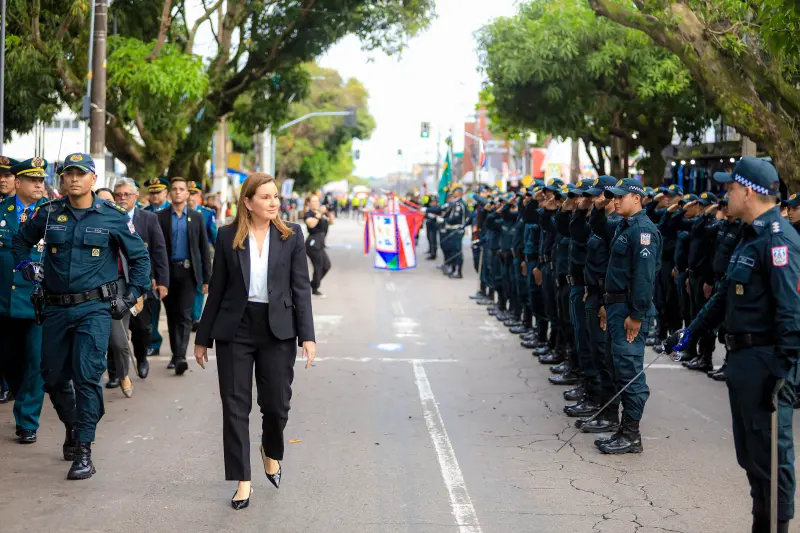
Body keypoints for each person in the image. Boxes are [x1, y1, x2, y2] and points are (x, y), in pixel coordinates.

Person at [665, 158, 800, 533]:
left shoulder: (778, 240)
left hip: (765, 363)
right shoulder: (749, 236)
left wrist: (783, 372)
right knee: (751, 456)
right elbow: (723, 295)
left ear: (749, 192)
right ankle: (761, 522)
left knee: (772, 456)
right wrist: (689, 333)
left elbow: (792, 312)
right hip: (743, 361)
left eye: (730, 188)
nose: (726, 195)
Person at [12, 153, 151, 480]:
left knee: (87, 377)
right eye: (69, 173)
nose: (74, 179)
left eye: (81, 173)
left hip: (94, 310)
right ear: (62, 179)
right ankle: (73, 426)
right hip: (55, 308)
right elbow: (20, 242)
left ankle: (84, 451)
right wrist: (27, 265)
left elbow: (140, 259)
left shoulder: (112, 216)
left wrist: (131, 295)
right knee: (52, 378)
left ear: (93, 179)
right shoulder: (49, 213)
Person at [194, 173, 316, 510]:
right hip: (235, 327)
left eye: (275, 196)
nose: (274, 202)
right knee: (235, 406)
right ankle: (243, 480)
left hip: (278, 329)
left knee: (277, 405)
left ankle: (270, 450)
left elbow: (301, 287)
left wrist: (307, 335)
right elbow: (218, 288)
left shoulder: (291, 235)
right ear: (247, 202)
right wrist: (203, 338)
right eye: (265, 197)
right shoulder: (227, 236)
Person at [595, 177, 662, 455]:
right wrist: (598, 207)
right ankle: (624, 430)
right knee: (617, 367)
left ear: (637, 198)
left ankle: (632, 434)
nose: (615, 201)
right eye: (614, 196)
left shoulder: (643, 231)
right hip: (616, 306)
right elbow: (598, 228)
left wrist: (636, 314)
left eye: (620, 196)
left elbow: (644, 278)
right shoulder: (624, 225)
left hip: (629, 310)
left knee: (629, 370)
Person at [0, 157, 48, 443]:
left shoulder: (53, 213)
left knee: (35, 360)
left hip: (37, 302)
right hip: (4, 301)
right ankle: (22, 397)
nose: (39, 185)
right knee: (8, 359)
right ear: (17, 183)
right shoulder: (1, 211)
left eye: (41, 180)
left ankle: (27, 421)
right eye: (33, 180)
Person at [112, 178, 168, 381]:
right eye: (118, 194)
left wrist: (162, 280)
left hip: (142, 283)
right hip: (115, 282)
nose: (122, 198)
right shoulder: (107, 218)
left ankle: (142, 357)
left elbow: (159, 250)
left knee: (141, 328)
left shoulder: (148, 218)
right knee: (115, 331)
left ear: (136, 196)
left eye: (126, 194)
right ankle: (117, 373)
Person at [156, 177, 211, 374]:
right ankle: (175, 353)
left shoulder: (196, 217)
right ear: (170, 193)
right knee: (172, 315)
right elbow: (156, 249)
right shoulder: (160, 217)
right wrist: (156, 276)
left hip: (188, 272)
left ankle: (180, 356)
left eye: (181, 189)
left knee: (185, 315)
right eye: (175, 189)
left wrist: (207, 278)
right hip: (168, 273)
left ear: (188, 194)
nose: (178, 192)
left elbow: (204, 249)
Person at [94, 188, 135, 398]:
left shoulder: (121, 223)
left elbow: (138, 258)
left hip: (119, 285)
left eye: (109, 200)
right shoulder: (88, 223)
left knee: (119, 339)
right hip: (91, 288)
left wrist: (138, 292)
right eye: (100, 200)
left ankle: (123, 373)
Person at [143, 177, 171, 356]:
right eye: (152, 192)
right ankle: (153, 341)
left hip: (174, 268)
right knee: (152, 309)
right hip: (152, 269)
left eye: (158, 192)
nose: (154, 195)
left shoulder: (173, 212)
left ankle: (178, 351)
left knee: (176, 314)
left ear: (166, 193)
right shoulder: (143, 214)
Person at [188, 181, 217, 331]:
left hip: (200, 258)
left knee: (199, 288)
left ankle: (195, 318)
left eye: (194, 193)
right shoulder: (179, 212)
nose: (190, 197)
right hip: (184, 258)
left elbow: (215, 236)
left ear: (199, 195)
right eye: (189, 193)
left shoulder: (206, 214)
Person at [303, 194, 334, 297]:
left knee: (327, 265)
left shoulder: (322, 213)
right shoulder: (308, 214)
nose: (316, 203)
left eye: (317, 201)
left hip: (320, 244)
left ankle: (311, 285)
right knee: (319, 266)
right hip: (312, 244)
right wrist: (319, 213)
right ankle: (314, 289)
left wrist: (329, 212)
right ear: (309, 203)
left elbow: (331, 222)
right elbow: (311, 224)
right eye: (313, 201)